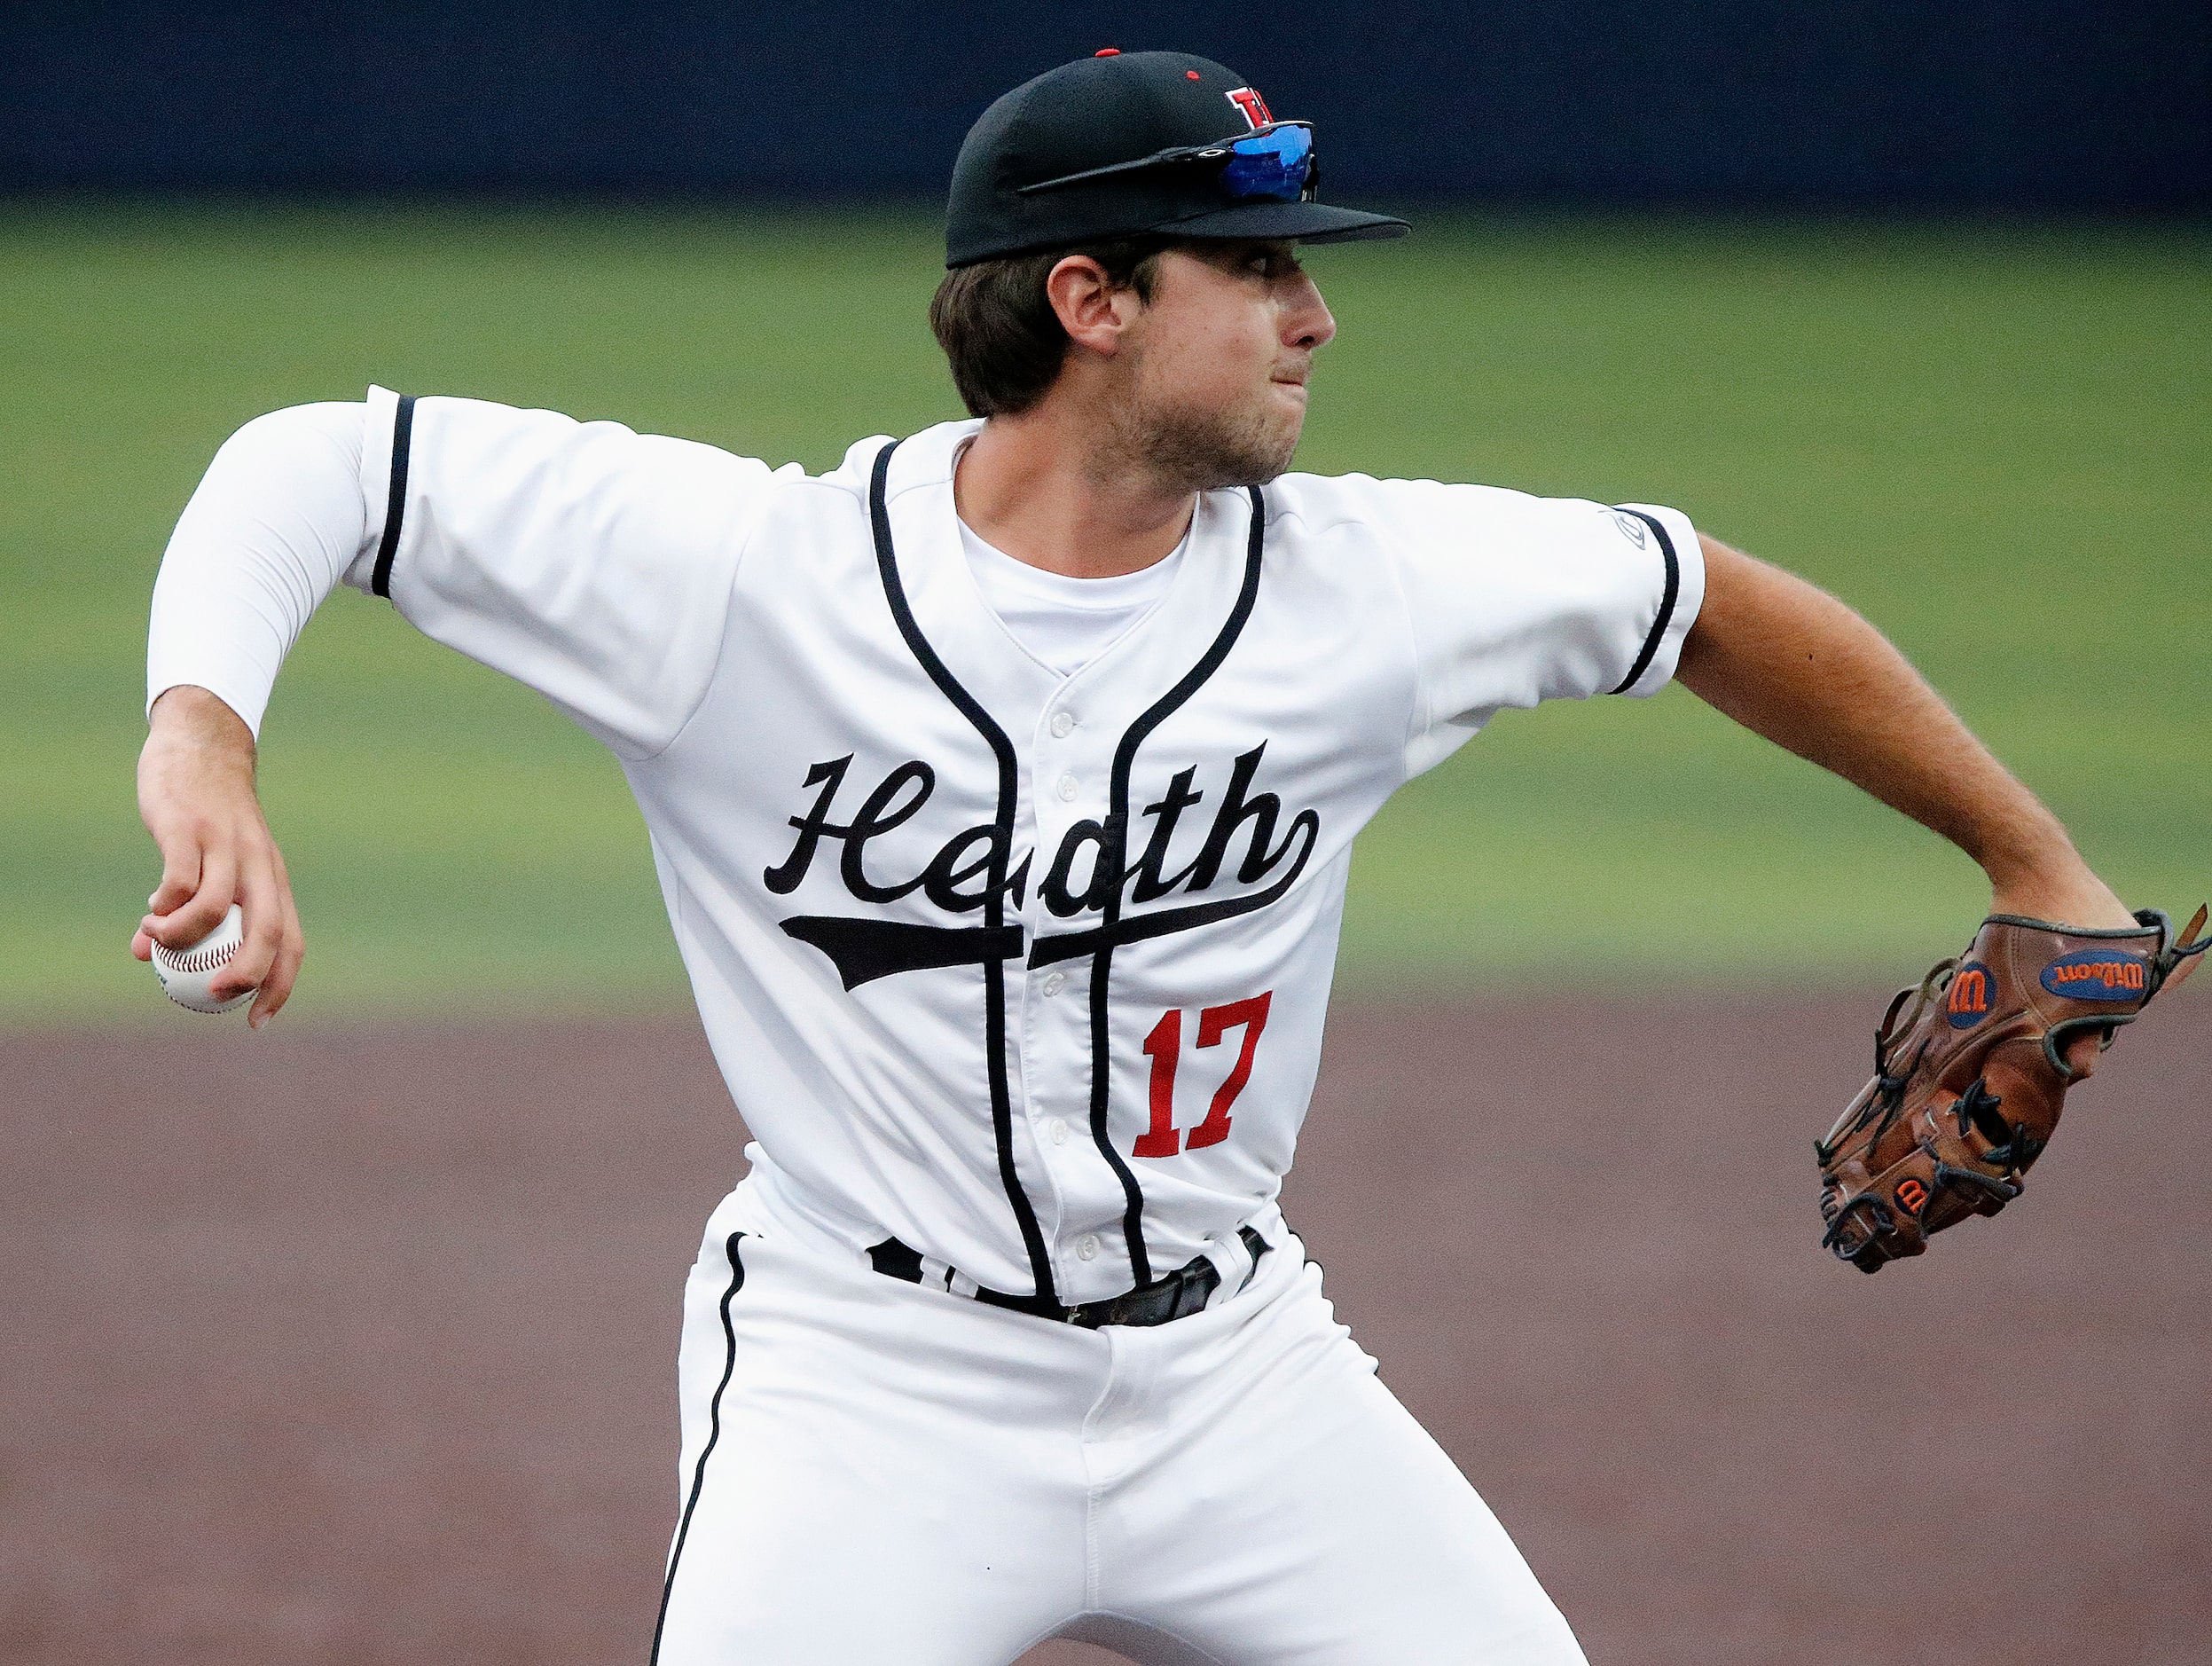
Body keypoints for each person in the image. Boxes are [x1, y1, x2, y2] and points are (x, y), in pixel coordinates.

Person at [135, 50, 2137, 1666]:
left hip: (1242, 1371)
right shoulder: (744, 577)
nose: (1316, 314)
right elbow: (318, 465)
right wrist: (204, 735)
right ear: (1089, 301)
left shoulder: (1373, 583)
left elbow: (1694, 593)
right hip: (866, 1380)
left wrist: (2030, 863)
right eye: (1255, 270)